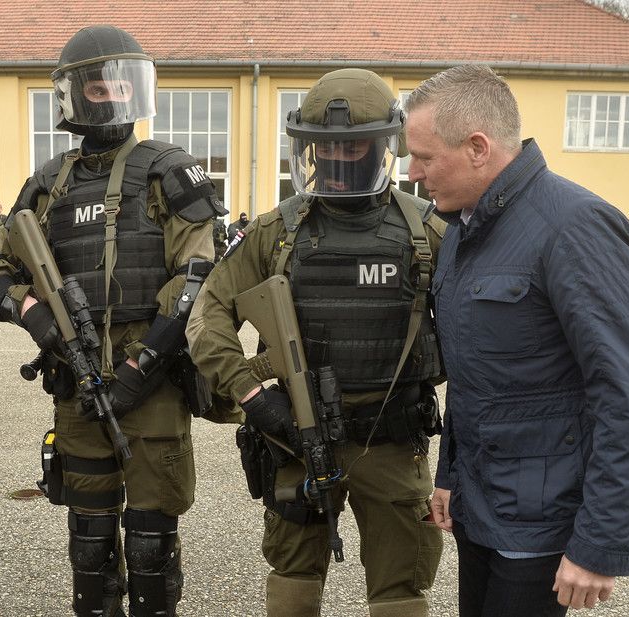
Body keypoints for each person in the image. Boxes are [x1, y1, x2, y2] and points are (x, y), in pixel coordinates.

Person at [0, 25, 225, 617]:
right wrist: (31, 313)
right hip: (75, 378)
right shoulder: (47, 183)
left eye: (121, 85)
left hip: (154, 378)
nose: (111, 96)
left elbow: (198, 278)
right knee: (89, 540)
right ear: (73, 95)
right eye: (97, 87)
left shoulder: (169, 171)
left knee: (151, 539)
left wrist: (143, 364)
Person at [404, 65, 629, 616]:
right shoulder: (463, 232)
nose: (412, 172)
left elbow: (628, 395)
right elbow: (474, 379)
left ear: (478, 148)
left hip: (542, 526)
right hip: (480, 509)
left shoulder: (575, 227)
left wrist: (599, 544)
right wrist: (450, 477)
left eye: (424, 157)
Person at [188, 68, 446, 617]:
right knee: (293, 577)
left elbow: (477, 335)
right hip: (297, 435)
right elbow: (206, 315)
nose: (338, 159)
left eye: (353, 147)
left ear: (383, 147)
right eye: (325, 147)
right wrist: (252, 395)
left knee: (401, 590)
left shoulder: (427, 233)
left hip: (392, 438)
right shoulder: (275, 232)